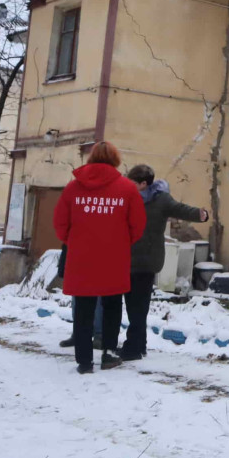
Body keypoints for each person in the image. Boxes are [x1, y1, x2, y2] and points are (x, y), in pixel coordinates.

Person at [53, 141, 146, 374]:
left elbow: (60, 224)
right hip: (114, 257)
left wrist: (75, 242)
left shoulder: (73, 189)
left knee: (83, 308)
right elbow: (138, 226)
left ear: (91, 159)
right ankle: (109, 354)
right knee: (112, 305)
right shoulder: (127, 189)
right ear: (116, 159)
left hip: (81, 257)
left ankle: (84, 361)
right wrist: (121, 243)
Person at [120, 164, 208, 361]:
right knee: (135, 305)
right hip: (128, 256)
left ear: (144, 183)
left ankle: (132, 348)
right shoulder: (127, 197)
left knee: (137, 305)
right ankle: (138, 345)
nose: (128, 185)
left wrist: (199, 214)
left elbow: (180, 209)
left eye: (133, 183)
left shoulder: (161, 199)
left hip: (147, 258)